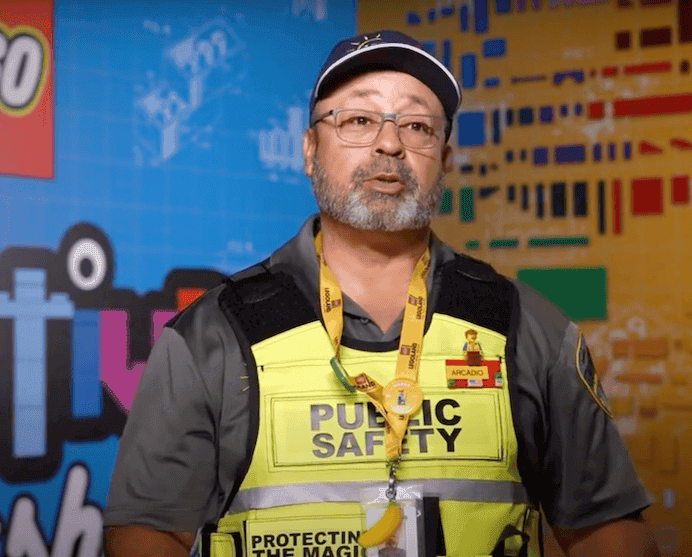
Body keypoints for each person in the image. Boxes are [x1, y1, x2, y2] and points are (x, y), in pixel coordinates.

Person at [104, 30, 658, 557]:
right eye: (359, 119)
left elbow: (606, 531)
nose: (390, 143)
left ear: (443, 160)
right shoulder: (212, 335)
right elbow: (148, 535)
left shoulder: (527, 329)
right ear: (308, 150)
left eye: (418, 126)